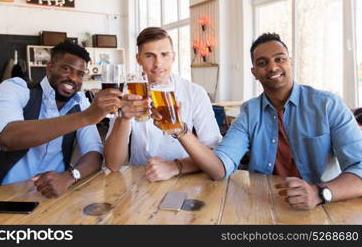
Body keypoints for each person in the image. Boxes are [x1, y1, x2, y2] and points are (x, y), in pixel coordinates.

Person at [180, 32, 362, 210]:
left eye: (279, 59)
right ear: (254, 72)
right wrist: (181, 131)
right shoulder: (249, 112)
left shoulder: (328, 105)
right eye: (262, 63)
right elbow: (219, 168)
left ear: (290, 62)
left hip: (323, 207)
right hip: (264, 206)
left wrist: (319, 193)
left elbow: (359, 167)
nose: (273, 67)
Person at [0, 40, 122, 197]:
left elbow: (94, 153)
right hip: (1, 193)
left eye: (80, 74)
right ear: (50, 68)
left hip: (51, 195)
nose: (73, 78)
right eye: (66, 69)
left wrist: (69, 177)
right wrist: (86, 117)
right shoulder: (16, 88)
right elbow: (7, 138)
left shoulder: (80, 102)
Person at [104, 27, 221, 181]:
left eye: (164, 55)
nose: (158, 63)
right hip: (140, 181)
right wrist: (123, 119)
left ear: (173, 57)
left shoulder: (195, 93)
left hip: (186, 177)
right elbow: (112, 164)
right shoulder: (127, 93)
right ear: (138, 59)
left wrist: (174, 166)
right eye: (149, 56)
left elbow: (215, 153)